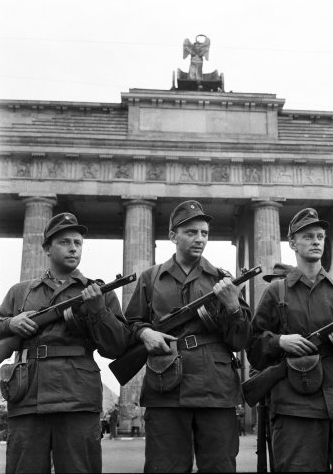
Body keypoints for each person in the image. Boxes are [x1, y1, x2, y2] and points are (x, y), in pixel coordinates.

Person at [0, 212, 129, 473]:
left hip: (77, 398)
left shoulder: (97, 291)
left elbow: (117, 348)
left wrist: (99, 311)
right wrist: (11, 323)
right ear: (46, 248)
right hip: (27, 396)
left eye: (78, 243)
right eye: (64, 242)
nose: (73, 248)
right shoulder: (20, 292)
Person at [125, 200, 251, 473]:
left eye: (204, 233)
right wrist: (144, 332)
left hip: (215, 389)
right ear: (173, 236)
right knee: (164, 467)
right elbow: (130, 324)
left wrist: (232, 306)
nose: (199, 239)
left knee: (220, 466)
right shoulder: (151, 278)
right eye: (191, 232)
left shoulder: (223, 279)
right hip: (166, 386)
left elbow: (240, 341)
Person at [247, 208, 333, 472]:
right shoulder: (276, 291)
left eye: (320, 236)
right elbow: (253, 346)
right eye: (307, 236)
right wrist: (280, 342)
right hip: (296, 406)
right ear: (293, 243)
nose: (316, 241)